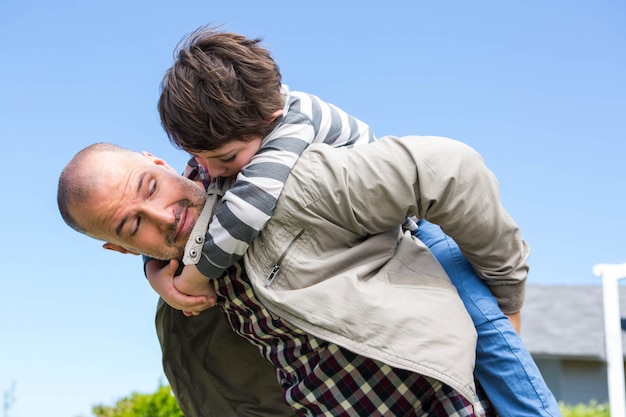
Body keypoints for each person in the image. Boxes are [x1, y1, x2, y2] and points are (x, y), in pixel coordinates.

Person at [149, 25, 558, 416]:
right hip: (371, 238)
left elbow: (247, 210)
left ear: (271, 120)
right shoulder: (237, 132)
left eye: (225, 160)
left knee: (492, 333)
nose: (211, 171)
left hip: (417, 230)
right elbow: (188, 196)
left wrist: (193, 277)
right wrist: (153, 270)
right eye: (197, 156)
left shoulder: (289, 130)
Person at [57, 135, 560, 416]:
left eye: (150, 187)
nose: (163, 215)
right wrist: (160, 274)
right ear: (118, 248)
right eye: (133, 225)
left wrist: (507, 304)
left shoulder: (267, 178)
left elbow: (451, 171)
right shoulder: (184, 314)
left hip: (449, 400)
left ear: (158, 160)